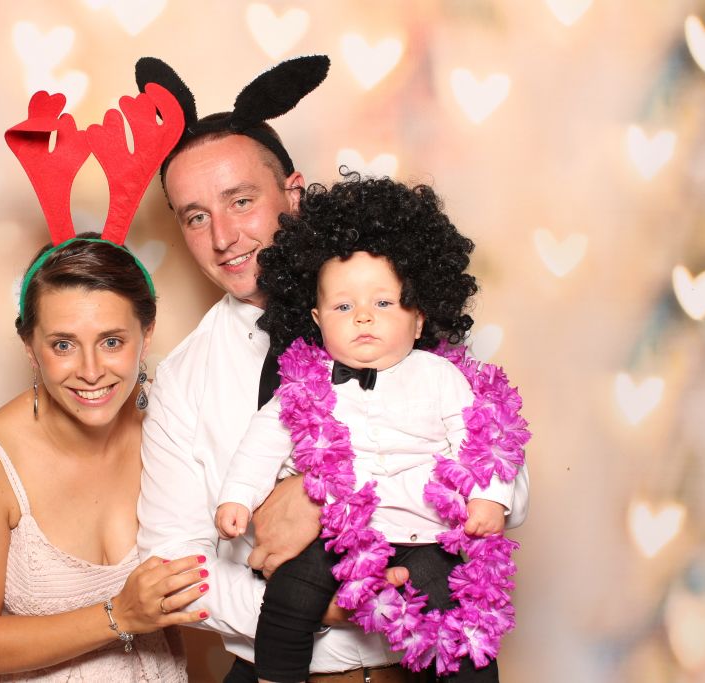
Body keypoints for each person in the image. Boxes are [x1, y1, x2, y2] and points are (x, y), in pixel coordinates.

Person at [135, 56, 530, 683]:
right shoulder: (183, 378)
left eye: (241, 201)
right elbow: (174, 565)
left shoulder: (390, 305)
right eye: (196, 216)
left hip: (414, 664)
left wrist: (327, 494)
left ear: (292, 192)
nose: (224, 236)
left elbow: (507, 482)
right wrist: (320, 607)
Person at [0, 83, 207, 681]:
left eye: (112, 341)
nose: (90, 370)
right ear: (29, 346)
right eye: (62, 344)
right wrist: (119, 615)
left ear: (146, 334)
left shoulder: (172, 426)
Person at [215, 175, 528, 682]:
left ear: (419, 318)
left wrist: (489, 500)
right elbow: (262, 442)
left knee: (460, 621)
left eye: (383, 304)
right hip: (340, 532)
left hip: (427, 533)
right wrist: (238, 497)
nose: (363, 317)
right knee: (289, 593)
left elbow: (483, 440)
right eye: (344, 307)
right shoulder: (306, 386)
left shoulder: (442, 377)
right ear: (317, 320)